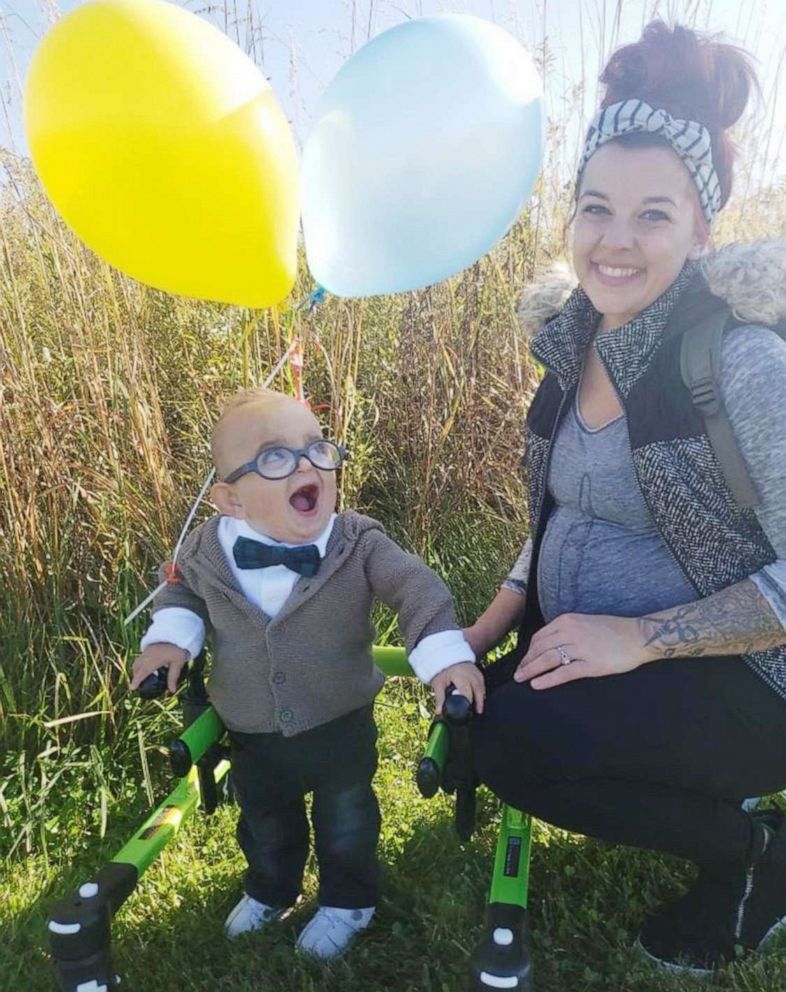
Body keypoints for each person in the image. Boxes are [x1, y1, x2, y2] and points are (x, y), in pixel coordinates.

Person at [466, 21, 786, 973]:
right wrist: (496, 617)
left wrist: (641, 638)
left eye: (653, 215)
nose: (615, 240)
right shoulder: (572, 347)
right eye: (596, 207)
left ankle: (758, 854)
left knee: (512, 748)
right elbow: (557, 515)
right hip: (610, 652)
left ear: (701, 229)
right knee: (482, 716)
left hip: (753, 681)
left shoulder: (740, 362)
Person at [130, 387, 483, 959]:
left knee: (346, 818)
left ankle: (349, 899)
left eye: (317, 448)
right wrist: (169, 640)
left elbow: (416, 588)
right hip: (249, 727)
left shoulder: (357, 542)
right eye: (275, 457)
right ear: (230, 500)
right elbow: (183, 593)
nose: (306, 465)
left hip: (338, 721)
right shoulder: (205, 550)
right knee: (266, 820)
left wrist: (446, 658)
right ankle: (273, 888)